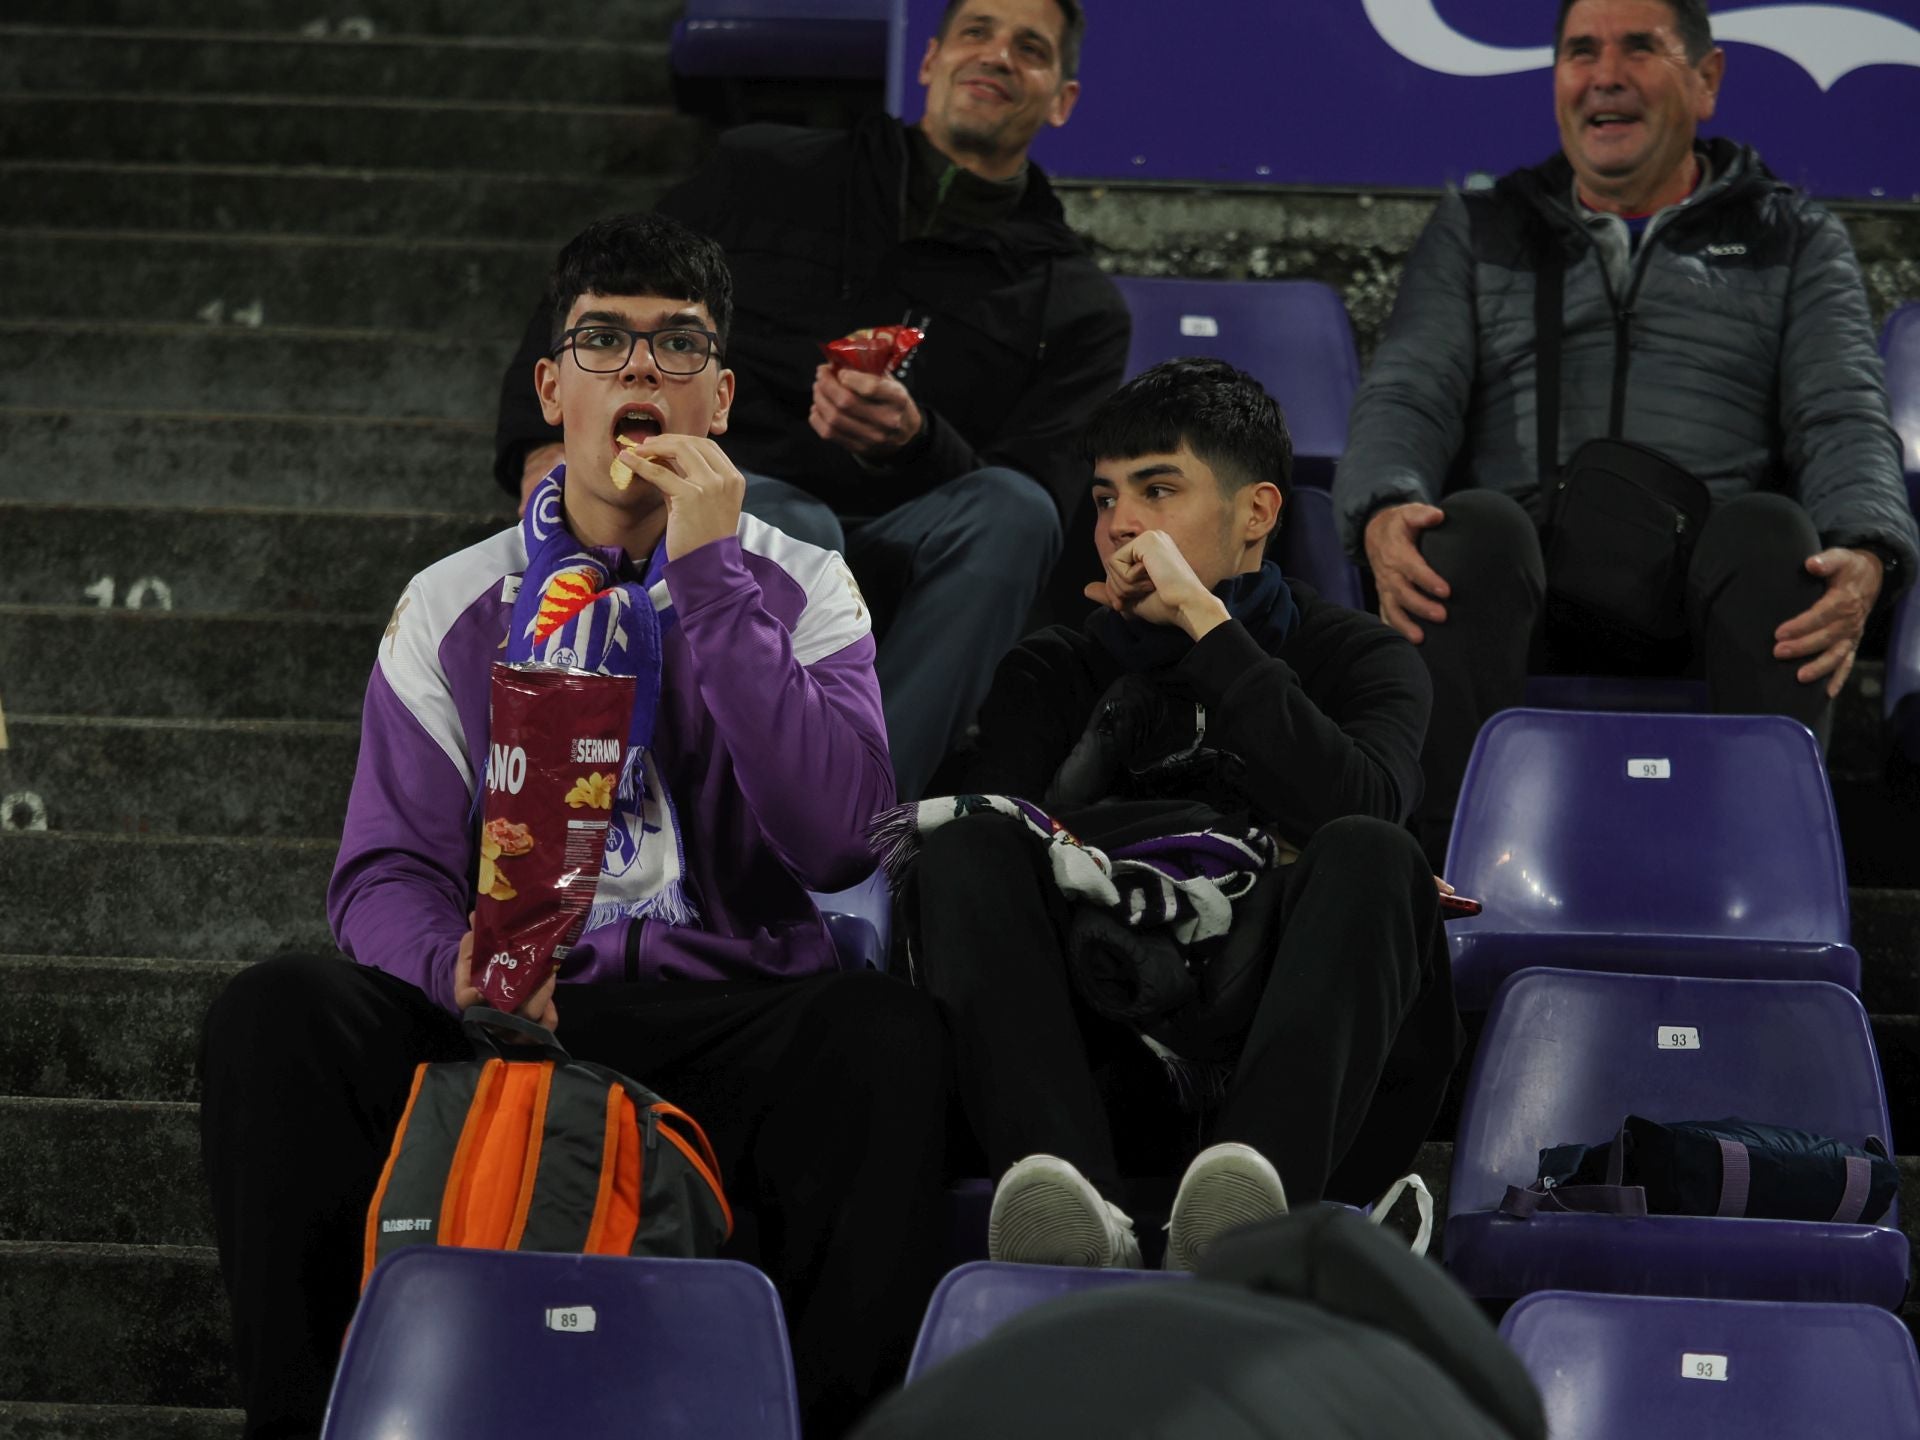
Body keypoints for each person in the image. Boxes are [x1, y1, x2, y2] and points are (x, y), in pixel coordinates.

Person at [199, 213, 951, 1439]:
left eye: (676, 347)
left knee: (885, 1039)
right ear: (556, 390)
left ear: (720, 396)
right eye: (604, 342)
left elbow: (837, 839)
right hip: (505, 1001)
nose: (641, 370)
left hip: (725, 1005)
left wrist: (711, 586)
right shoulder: (453, 599)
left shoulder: (802, 583)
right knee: (276, 1016)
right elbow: (384, 868)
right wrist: (456, 968)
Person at [493, 0, 1131, 803]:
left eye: (1029, 48)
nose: (998, 55)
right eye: (978, 32)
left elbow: (1040, 500)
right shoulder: (767, 169)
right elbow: (595, 287)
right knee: (793, 524)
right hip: (738, 500)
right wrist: (538, 443)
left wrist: (914, 442)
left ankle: (853, 820)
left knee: (1016, 511)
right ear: (929, 60)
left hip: (912, 546)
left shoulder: (1077, 304)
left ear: (1062, 97)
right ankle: (724, 815)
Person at [899, 359, 1457, 1271]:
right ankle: (1066, 1203)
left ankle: (1250, 1209)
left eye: (1159, 490)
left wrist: (1208, 629)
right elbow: (1006, 864)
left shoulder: (1360, 658)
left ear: (1258, 514)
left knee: (1373, 852)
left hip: (1308, 1062)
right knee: (969, 844)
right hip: (1107, 1052)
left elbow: (1360, 807)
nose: (1121, 523)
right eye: (1107, 497)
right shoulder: (1053, 670)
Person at [1332, 0, 1920, 865]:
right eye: (1580, 51)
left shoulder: (1793, 237)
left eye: (1638, 47)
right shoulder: (1482, 227)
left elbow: (1842, 416)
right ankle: (1441, 882)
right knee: (1461, 529)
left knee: (1779, 538)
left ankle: (1762, 883)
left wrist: (1868, 548)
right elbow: (1408, 392)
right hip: (1526, 572)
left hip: (1705, 586)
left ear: (1706, 81)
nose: (1604, 74)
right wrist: (1382, 506)